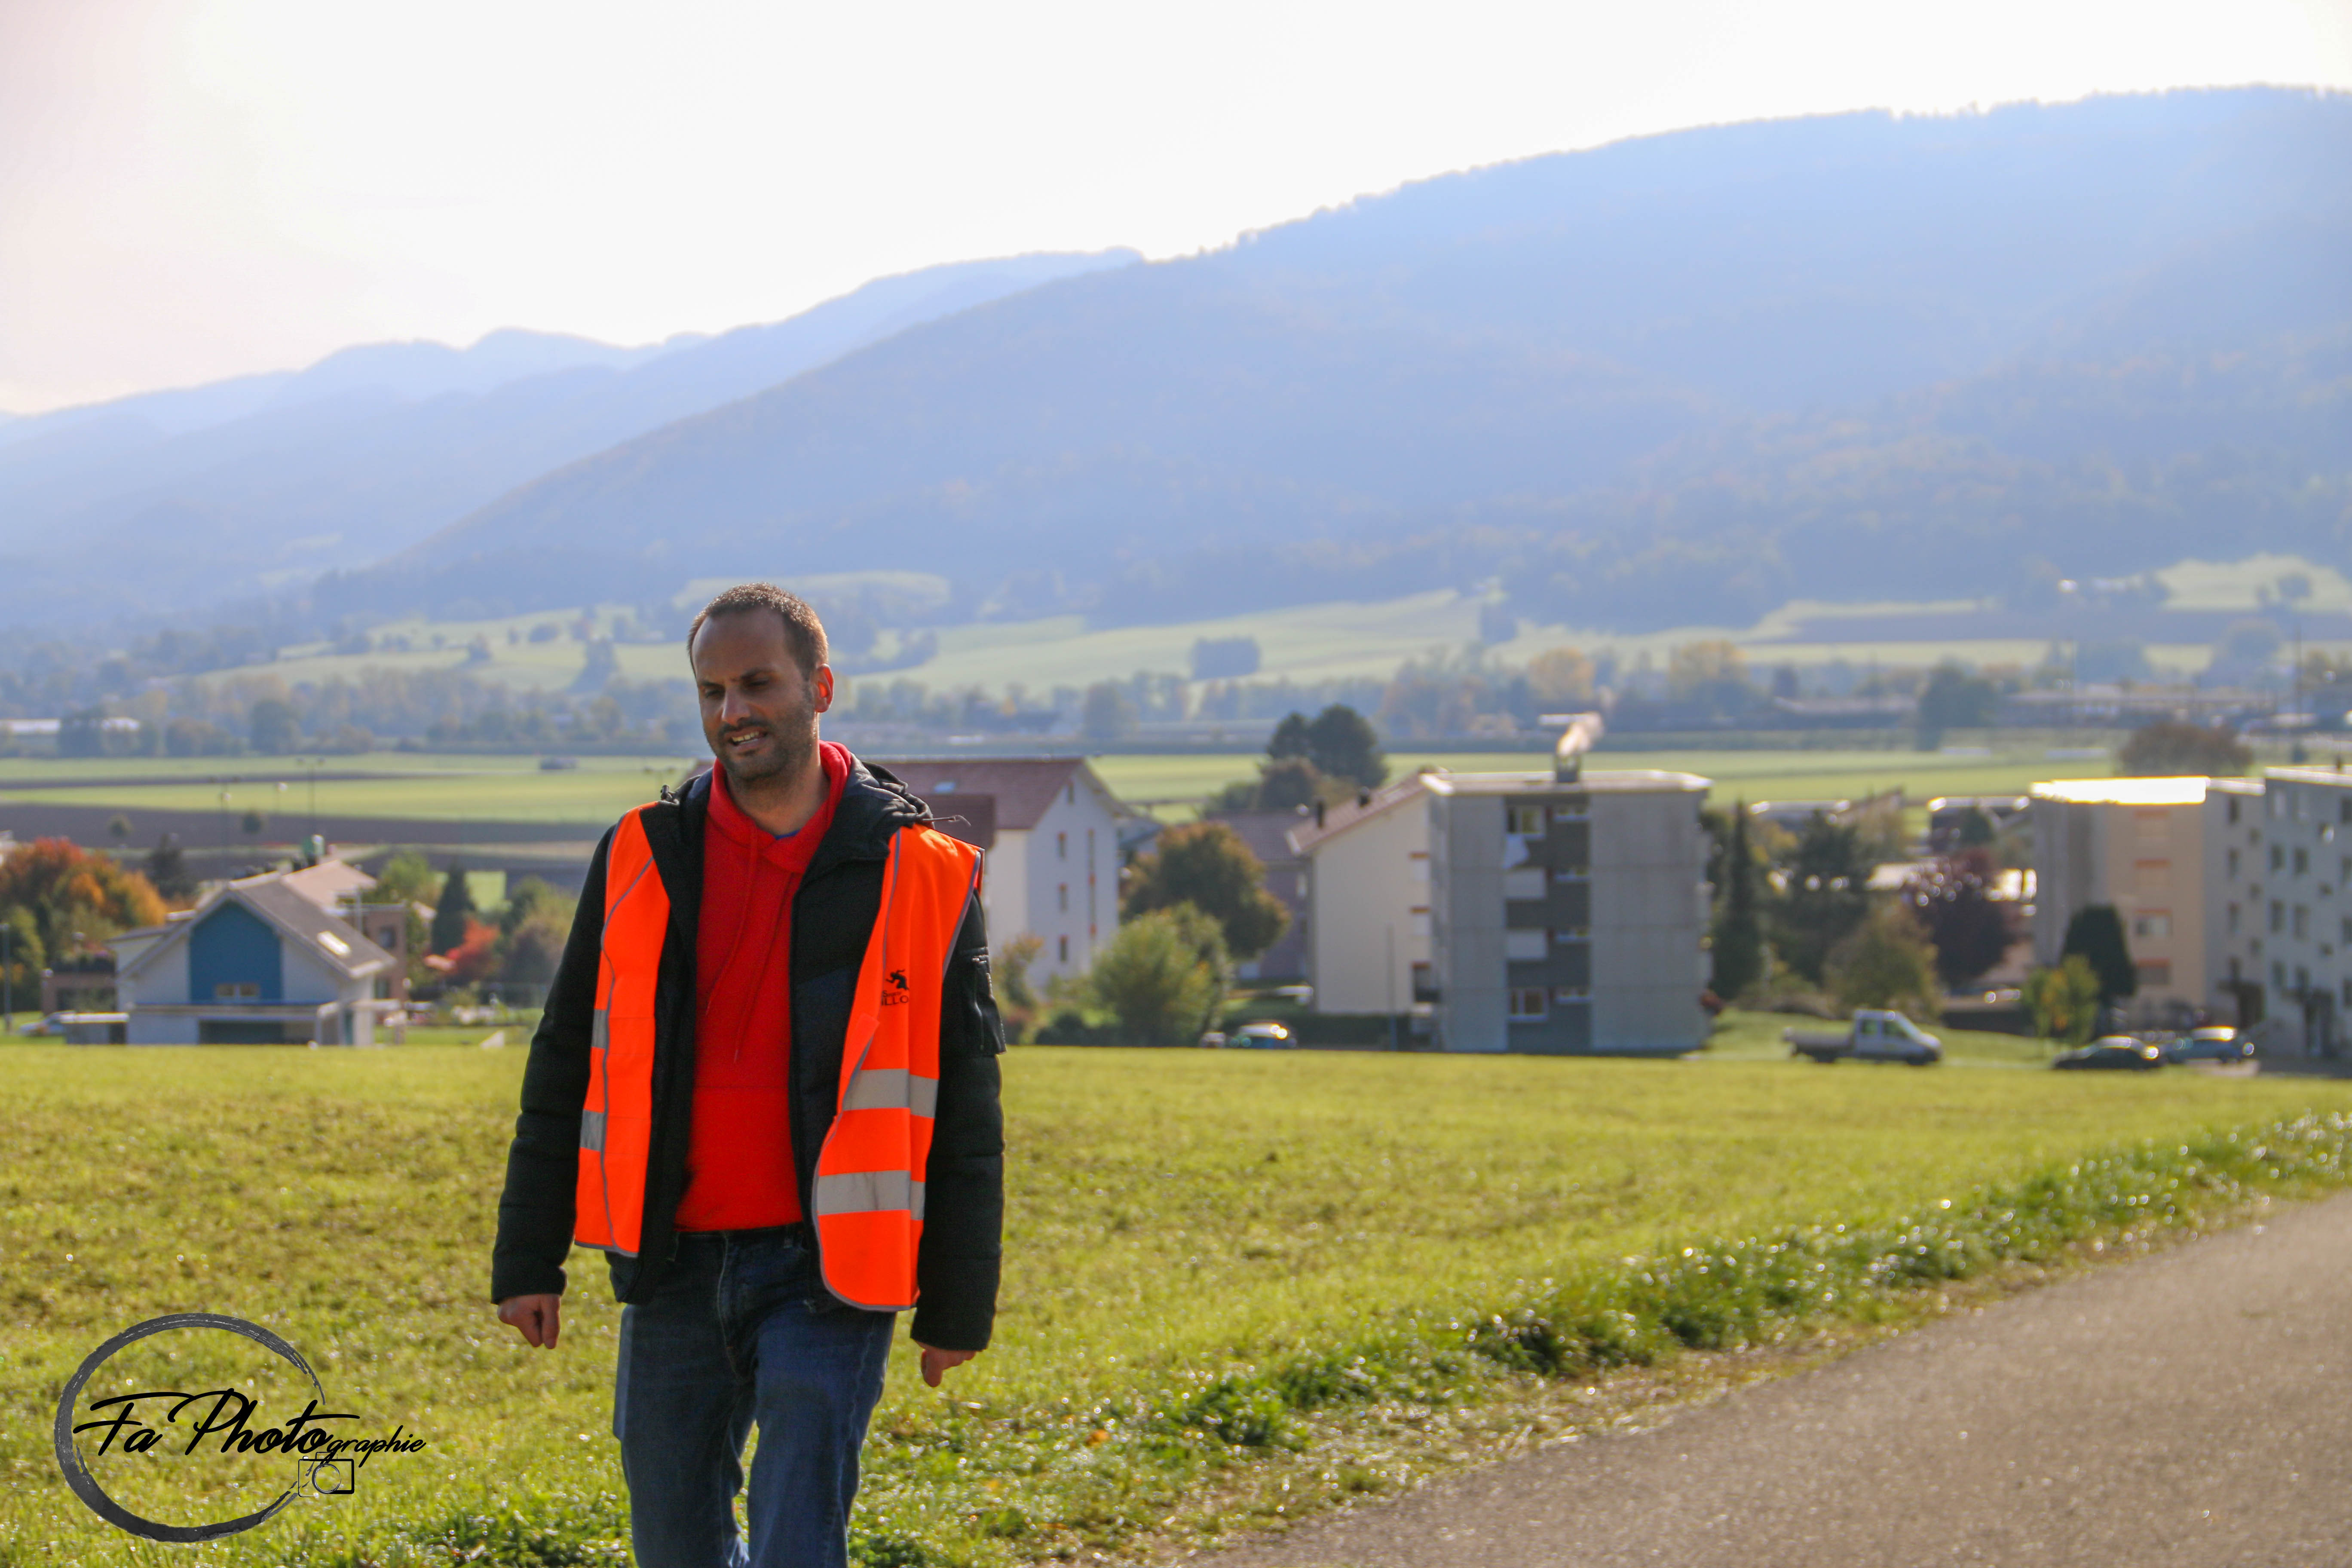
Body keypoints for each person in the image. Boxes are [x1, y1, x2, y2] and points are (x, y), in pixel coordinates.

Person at [490, 583, 1005, 1568]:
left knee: (797, 1544)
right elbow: (563, 1060)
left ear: (821, 688)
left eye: (758, 684)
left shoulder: (922, 871)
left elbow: (967, 1105)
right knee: (672, 1547)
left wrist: (956, 1304)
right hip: (672, 1265)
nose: (733, 711)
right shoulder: (641, 855)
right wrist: (526, 1262)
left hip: (828, 1274)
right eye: (712, 691)